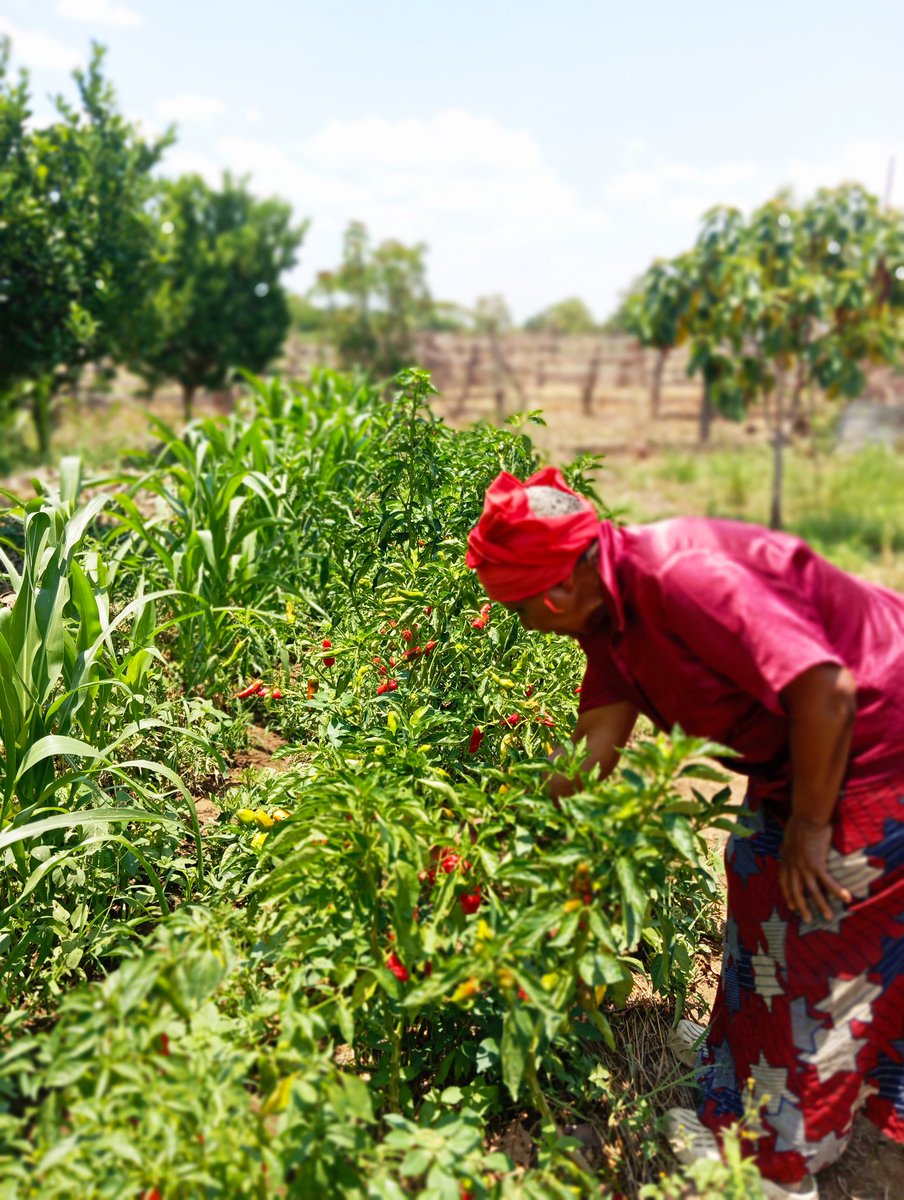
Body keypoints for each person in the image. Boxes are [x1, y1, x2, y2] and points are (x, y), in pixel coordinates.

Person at [466, 466, 904, 1200]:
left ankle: (778, 1164)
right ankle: (734, 1073)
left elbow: (826, 689)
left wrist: (810, 823)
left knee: (824, 929)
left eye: (517, 609)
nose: (523, 624)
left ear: (556, 592)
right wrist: (516, 837)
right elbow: (598, 735)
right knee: (757, 873)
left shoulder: (682, 576)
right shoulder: (611, 612)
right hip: (801, 754)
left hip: (873, 747)